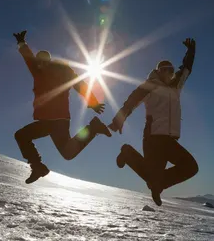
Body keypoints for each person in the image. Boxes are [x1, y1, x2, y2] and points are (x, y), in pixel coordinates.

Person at [13, 30, 112, 184]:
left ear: (49, 61)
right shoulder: (38, 71)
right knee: (67, 153)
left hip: (56, 120)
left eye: (43, 61)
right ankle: (38, 166)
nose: (40, 64)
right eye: (38, 62)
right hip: (50, 121)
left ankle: (38, 166)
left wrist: (92, 102)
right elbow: (29, 59)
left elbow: (79, 84)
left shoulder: (62, 71)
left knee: (21, 135)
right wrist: (22, 44)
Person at [108, 38, 199, 206]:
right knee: (153, 175)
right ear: (159, 71)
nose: (170, 74)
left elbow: (186, 70)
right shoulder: (149, 86)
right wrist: (118, 120)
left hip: (170, 140)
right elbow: (131, 102)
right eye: (166, 70)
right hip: (153, 138)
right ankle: (131, 157)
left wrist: (191, 51)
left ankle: (156, 183)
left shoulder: (175, 88)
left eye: (171, 71)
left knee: (191, 167)